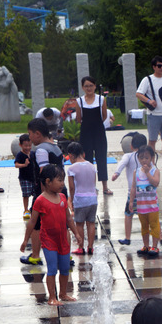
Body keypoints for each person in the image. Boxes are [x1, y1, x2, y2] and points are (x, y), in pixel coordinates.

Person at [20, 165, 79, 305]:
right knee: (52, 268)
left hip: (63, 239)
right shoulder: (40, 200)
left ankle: (63, 293)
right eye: (59, 180)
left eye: (63, 180)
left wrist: (76, 233)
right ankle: (52, 297)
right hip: (49, 241)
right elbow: (33, 222)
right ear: (48, 181)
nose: (62, 184)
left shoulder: (63, 198)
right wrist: (25, 240)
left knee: (65, 268)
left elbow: (68, 219)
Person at [20, 118, 66, 266]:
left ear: (38, 134)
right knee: (63, 224)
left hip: (46, 193)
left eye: (30, 134)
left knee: (36, 225)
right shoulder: (56, 148)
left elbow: (44, 174)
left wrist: (42, 197)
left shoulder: (40, 150)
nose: (30, 137)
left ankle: (35, 255)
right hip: (60, 191)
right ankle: (66, 255)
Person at [76, 76, 111, 196]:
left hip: (99, 132)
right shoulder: (79, 101)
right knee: (87, 160)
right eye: (86, 86)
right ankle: (90, 187)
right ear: (82, 87)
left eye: (91, 85)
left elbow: (104, 115)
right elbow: (78, 118)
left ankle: (105, 187)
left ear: (95, 86)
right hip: (86, 133)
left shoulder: (101, 99)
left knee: (102, 158)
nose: (89, 88)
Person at [112, 132, 147, 245]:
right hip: (146, 191)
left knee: (128, 214)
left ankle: (127, 238)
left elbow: (122, 164)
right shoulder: (147, 157)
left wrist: (116, 173)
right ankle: (159, 237)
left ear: (131, 146)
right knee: (149, 215)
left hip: (133, 192)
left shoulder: (128, 156)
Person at [136, 56, 162, 170]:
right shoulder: (147, 79)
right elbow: (139, 94)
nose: (161, 68)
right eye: (159, 66)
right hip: (153, 114)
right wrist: (149, 101)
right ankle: (152, 162)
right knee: (152, 140)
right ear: (154, 67)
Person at [66, 142, 98, 255]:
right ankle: (90, 247)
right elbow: (93, 183)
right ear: (82, 153)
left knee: (79, 223)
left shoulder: (71, 168)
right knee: (91, 223)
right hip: (93, 199)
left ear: (71, 155)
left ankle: (80, 247)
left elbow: (71, 187)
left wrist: (72, 200)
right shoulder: (91, 166)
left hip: (80, 199)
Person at [131, 145, 161, 258]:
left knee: (154, 225)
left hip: (152, 205)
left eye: (147, 158)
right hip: (141, 206)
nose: (144, 160)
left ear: (152, 158)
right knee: (144, 226)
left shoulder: (155, 171)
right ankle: (146, 245)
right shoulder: (136, 171)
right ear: (138, 158)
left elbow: (155, 183)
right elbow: (133, 187)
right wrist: (131, 202)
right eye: (141, 157)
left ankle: (154, 246)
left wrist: (148, 173)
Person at [14, 133, 34, 219]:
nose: (28, 148)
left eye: (29, 145)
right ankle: (26, 210)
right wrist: (24, 165)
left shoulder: (32, 153)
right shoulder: (20, 155)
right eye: (26, 146)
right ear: (20, 145)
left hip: (33, 177)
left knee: (35, 193)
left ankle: (33, 208)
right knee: (26, 194)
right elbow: (16, 165)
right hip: (24, 178)